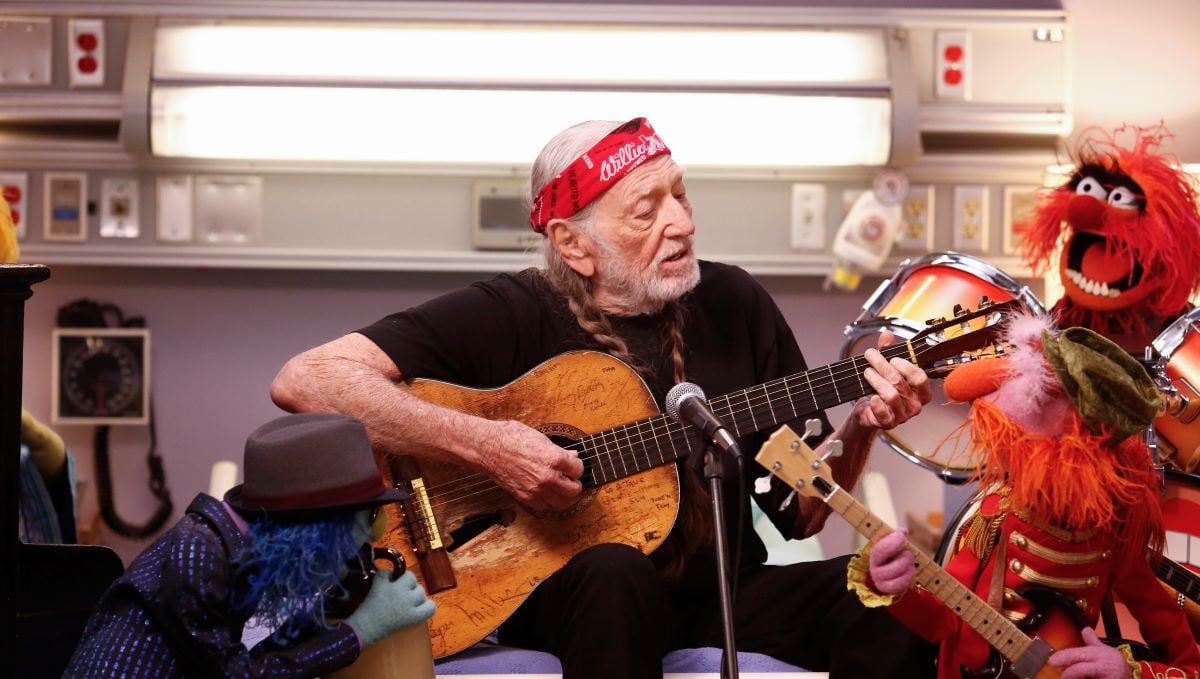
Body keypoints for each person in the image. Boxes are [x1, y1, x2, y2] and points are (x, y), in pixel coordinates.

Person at [270, 117, 934, 677]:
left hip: (718, 593)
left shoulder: (737, 305)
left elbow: (801, 515)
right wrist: (491, 445)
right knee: (617, 571)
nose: (680, 223)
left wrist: (865, 426)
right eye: (647, 210)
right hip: (556, 594)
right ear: (573, 244)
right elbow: (308, 379)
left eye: (681, 195)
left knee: (894, 597)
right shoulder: (509, 311)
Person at [859, 314, 1200, 678]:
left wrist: (1131, 671)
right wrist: (894, 588)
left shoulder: (1110, 535)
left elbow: (1187, 664)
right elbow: (943, 624)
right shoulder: (994, 513)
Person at [63, 412, 436, 678]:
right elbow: (235, 674)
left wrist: (314, 621)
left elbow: (242, 655)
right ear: (318, 525)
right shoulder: (199, 554)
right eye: (367, 519)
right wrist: (360, 631)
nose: (374, 535)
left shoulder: (234, 545)